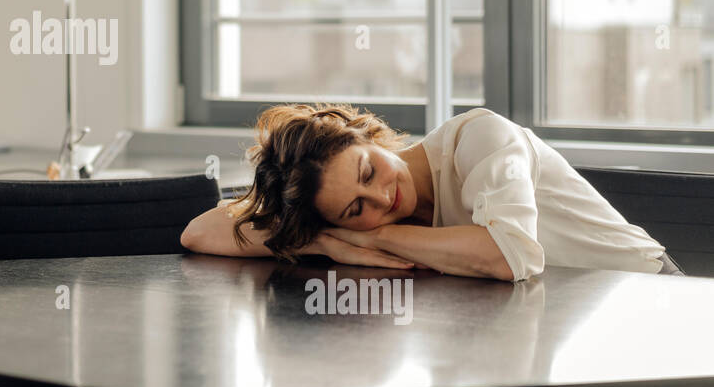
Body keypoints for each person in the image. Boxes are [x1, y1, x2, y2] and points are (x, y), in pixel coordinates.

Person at [181, 103, 683, 280]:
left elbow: (511, 256)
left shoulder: (480, 138)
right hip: (551, 325)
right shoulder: (339, 225)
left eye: (368, 170)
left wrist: (371, 239)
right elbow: (200, 232)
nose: (382, 199)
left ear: (367, 135)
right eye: (356, 208)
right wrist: (325, 241)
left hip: (645, 302)